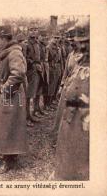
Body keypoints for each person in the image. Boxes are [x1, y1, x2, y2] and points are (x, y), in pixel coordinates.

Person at [0, 25, 27, 174]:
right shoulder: (6, 52)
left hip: (11, 94)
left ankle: (9, 160)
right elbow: (7, 70)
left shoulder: (14, 53)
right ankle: (9, 155)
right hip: (7, 92)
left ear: (5, 39)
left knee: (8, 125)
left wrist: (5, 88)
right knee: (5, 125)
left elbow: (18, 74)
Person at [55, 29, 89, 180]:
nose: (80, 45)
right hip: (69, 93)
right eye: (78, 41)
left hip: (83, 105)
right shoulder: (72, 56)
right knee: (64, 120)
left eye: (85, 42)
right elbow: (66, 72)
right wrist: (62, 85)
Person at [25, 26, 42, 127]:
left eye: (35, 29)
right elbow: (24, 58)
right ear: (28, 32)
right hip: (30, 70)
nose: (34, 32)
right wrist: (32, 63)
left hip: (37, 70)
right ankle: (26, 117)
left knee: (33, 93)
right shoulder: (26, 44)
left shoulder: (36, 43)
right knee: (27, 95)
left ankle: (30, 114)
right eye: (31, 30)